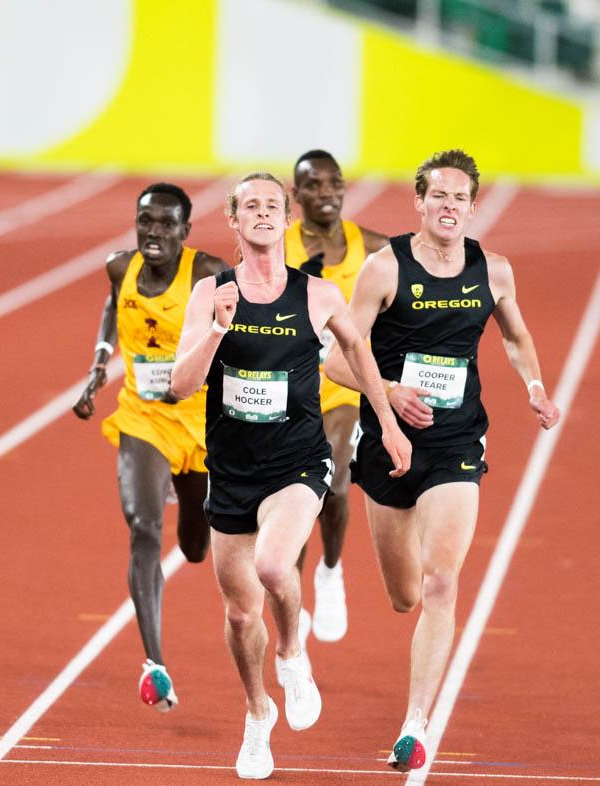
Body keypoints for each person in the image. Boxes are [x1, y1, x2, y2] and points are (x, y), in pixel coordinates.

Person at [324, 150, 561, 771]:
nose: (450, 206)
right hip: (388, 445)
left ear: (472, 207)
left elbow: (514, 335)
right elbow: (332, 358)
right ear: (420, 203)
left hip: (457, 445)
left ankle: (414, 724)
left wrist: (534, 386)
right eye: (439, 196)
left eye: (461, 198)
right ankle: (411, 681)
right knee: (404, 595)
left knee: (441, 580)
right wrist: (390, 395)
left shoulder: (495, 271)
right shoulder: (384, 269)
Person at [169, 172, 410, 780]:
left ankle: (294, 654)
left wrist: (387, 420)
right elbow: (179, 386)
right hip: (231, 471)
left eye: (272, 205)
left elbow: (358, 354)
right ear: (233, 219)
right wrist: (219, 326)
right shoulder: (211, 294)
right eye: (250, 205)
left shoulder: (317, 295)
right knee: (239, 613)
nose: (262, 214)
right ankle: (257, 716)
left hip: (297, 463)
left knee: (275, 567)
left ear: (286, 218)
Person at [72, 182, 226, 713]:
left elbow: (238, 326)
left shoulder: (207, 273)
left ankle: (184, 500)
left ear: (186, 231)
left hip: (201, 421)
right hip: (143, 416)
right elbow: (115, 306)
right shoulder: (120, 266)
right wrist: (98, 365)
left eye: (166, 225)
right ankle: (155, 664)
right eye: (145, 222)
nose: (153, 233)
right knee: (142, 527)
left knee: (196, 547)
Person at [284, 149, 388, 645]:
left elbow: (408, 298)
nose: (327, 193)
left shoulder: (370, 246)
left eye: (334, 183)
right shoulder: (273, 247)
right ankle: (295, 595)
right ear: (296, 194)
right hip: (284, 393)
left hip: (341, 385)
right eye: (315, 185)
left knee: (337, 481)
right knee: (293, 500)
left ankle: (330, 572)